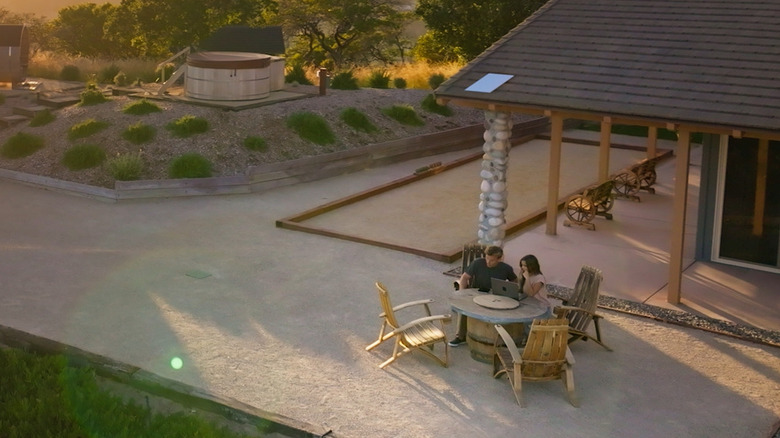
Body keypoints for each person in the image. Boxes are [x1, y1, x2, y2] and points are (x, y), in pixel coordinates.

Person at [448, 245, 517, 347]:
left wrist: (509, 291)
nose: (488, 262)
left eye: (492, 260)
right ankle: (460, 337)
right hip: (477, 292)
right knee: (464, 310)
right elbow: (464, 278)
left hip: (495, 295)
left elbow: (514, 281)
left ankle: (499, 338)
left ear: (500, 259)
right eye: (487, 258)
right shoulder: (478, 263)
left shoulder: (506, 268)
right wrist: (462, 293)